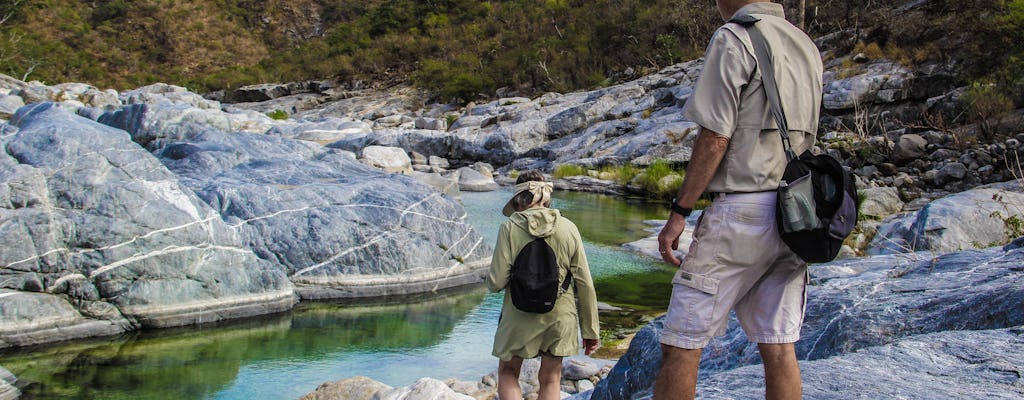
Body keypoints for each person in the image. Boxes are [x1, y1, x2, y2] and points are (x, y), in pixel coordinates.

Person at [654, 1, 823, 399]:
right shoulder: (804, 43)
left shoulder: (735, 35)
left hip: (741, 212)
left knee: (680, 343)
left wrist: (680, 212)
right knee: (779, 346)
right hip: (794, 212)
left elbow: (715, 137)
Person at [487, 170, 600, 400]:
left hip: (518, 315)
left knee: (508, 373)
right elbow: (585, 283)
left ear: (519, 199)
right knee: (551, 379)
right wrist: (590, 330)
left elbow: (496, 283)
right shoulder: (569, 228)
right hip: (560, 317)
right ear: (547, 197)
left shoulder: (509, 228)